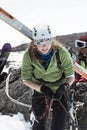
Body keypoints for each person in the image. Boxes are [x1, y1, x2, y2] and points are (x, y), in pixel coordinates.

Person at [21, 24, 75, 130]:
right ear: (34, 43)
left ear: (51, 40)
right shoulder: (29, 55)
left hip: (60, 89)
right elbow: (25, 79)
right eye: (39, 42)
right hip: (40, 89)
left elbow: (70, 75)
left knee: (58, 125)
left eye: (47, 42)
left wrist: (65, 86)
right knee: (38, 125)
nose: (44, 46)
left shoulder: (62, 53)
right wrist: (42, 89)